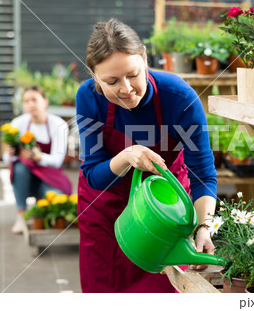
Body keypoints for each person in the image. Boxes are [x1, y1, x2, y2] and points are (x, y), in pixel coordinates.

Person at [76, 19, 217, 293]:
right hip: (106, 212)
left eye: (133, 74)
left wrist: (202, 227)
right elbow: (93, 174)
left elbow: (203, 173)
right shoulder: (89, 98)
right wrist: (128, 155)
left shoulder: (179, 97)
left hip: (165, 210)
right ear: (94, 77)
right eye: (111, 81)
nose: (126, 89)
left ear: (144, 59)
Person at [3, 85, 72, 234]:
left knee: (56, 202)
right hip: (26, 178)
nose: (30, 104)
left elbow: (57, 161)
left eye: (34, 99)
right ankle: (20, 215)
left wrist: (37, 157)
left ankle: (41, 211)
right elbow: (5, 160)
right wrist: (11, 153)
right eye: (26, 101)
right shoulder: (18, 124)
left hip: (50, 177)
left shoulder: (58, 124)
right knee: (19, 167)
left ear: (45, 101)